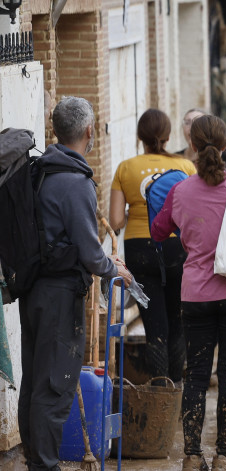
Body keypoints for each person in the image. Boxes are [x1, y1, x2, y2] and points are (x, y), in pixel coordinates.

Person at [151, 115, 226, 471]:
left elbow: (159, 232)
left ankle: (192, 457)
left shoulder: (179, 190)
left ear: (191, 146)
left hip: (196, 295)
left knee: (197, 374)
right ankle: (223, 457)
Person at [19, 96, 133, 471]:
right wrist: (115, 269)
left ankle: (36, 459)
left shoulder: (39, 172)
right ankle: (45, 466)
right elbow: (88, 250)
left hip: (34, 289)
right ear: (88, 131)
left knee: (36, 381)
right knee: (55, 385)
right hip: (60, 294)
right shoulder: (75, 181)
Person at [110, 108, 197, 385]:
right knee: (177, 320)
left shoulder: (126, 168)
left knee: (154, 324)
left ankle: (161, 388)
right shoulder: (185, 167)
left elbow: (115, 221)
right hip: (176, 247)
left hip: (140, 249)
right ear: (169, 135)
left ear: (140, 137)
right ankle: (178, 389)